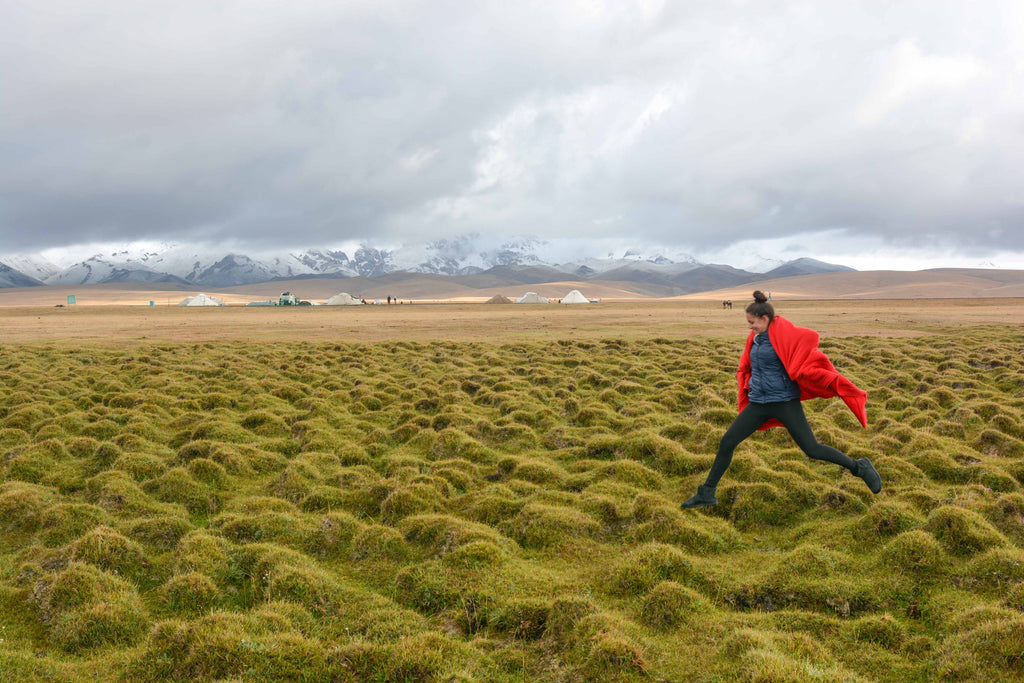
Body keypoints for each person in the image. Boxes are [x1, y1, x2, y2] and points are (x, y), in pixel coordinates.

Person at [681, 291, 881, 508]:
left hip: (785, 402)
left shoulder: (784, 339)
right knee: (727, 442)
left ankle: (859, 467)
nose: (750, 327)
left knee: (812, 449)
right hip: (759, 403)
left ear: (764, 319)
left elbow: (806, 345)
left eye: (752, 322)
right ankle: (707, 492)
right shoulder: (755, 340)